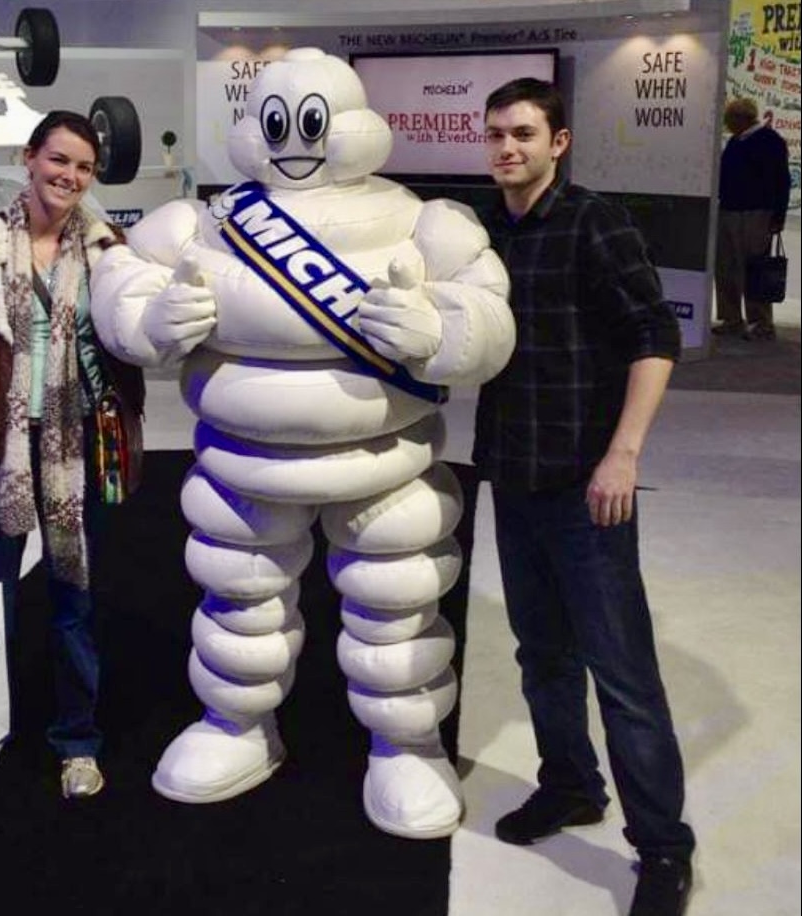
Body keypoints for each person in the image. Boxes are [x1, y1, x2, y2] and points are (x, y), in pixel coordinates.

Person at [90, 48, 514, 840]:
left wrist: (437, 330)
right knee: (239, 601)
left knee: (396, 606)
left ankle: (405, 742)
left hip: (384, 462)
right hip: (242, 463)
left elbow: (487, 309)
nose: (297, 139)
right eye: (280, 122)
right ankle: (237, 726)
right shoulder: (208, 220)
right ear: (256, 127)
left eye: (312, 121)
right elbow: (122, 273)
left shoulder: (421, 219)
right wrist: (148, 322)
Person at [473, 78, 695, 916]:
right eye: (494, 133)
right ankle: (569, 785)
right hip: (515, 475)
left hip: (585, 486)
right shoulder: (487, 228)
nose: (506, 148)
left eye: (523, 133)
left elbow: (652, 334)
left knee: (623, 673)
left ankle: (664, 848)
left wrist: (623, 455)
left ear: (558, 141)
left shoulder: (592, 220)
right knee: (543, 658)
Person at [0, 109, 145, 799]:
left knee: (72, 600)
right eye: (59, 160)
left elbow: (131, 346)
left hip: (78, 445)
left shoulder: (112, 249)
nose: (70, 177)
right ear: (28, 157)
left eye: (83, 167)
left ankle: (76, 740)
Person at [713, 97, 791, 340]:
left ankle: (761, 323)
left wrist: (778, 215)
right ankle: (731, 318)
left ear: (743, 118)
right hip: (728, 210)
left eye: (730, 120)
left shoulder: (769, 140)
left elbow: (782, 181)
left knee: (754, 268)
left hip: (757, 212)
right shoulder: (736, 142)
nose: (728, 126)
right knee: (725, 266)